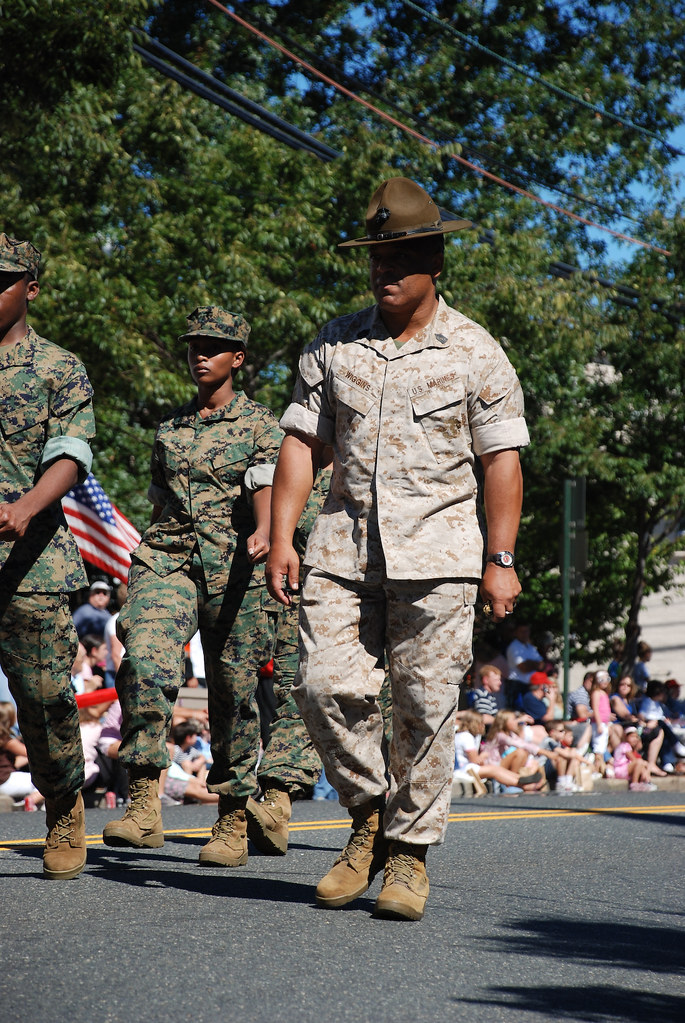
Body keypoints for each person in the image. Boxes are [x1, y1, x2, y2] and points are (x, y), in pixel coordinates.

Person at [266, 177, 529, 921]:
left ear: (433, 261)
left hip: (439, 558)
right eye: (375, 260)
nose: (384, 273)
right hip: (342, 550)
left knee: (423, 707)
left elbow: (500, 460)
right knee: (322, 687)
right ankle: (368, 815)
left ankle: (407, 857)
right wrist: (282, 536)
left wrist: (499, 558)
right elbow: (299, 441)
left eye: (399, 260)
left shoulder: (475, 351)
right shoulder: (334, 343)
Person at [102, 307, 283, 866]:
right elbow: (160, 503)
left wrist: (266, 533)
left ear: (239, 358)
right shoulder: (169, 432)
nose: (200, 354)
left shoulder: (263, 427)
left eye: (214, 345)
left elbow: (268, 490)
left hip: (238, 569)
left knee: (234, 692)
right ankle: (142, 802)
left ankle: (231, 818)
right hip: (170, 561)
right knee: (147, 661)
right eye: (193, 346)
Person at [0, 233, 95, 878]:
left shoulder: (60, 368)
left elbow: (71, 454)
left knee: (43, 697)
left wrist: (27, 507)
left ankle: (63, 800)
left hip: (29, 564)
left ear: (30, 289)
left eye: (1, 280)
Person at [245, 451, 333, 857]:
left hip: (380, 603)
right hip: (305, 605)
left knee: (389, 719)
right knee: (297, 695)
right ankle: (276, 803)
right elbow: (266, 493)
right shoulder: (289, 460)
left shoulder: (380, 455)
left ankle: (381, 823)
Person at [505, 620, 544, 707]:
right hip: (516, 686)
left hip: (529, 686)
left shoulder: (530, 647)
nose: (525, 634)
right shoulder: (514, 647)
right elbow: (523, 667)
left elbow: (542, 665)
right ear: (516, 633)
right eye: (522, 631)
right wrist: (535, 664)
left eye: (527, 631)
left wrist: (529, 663)